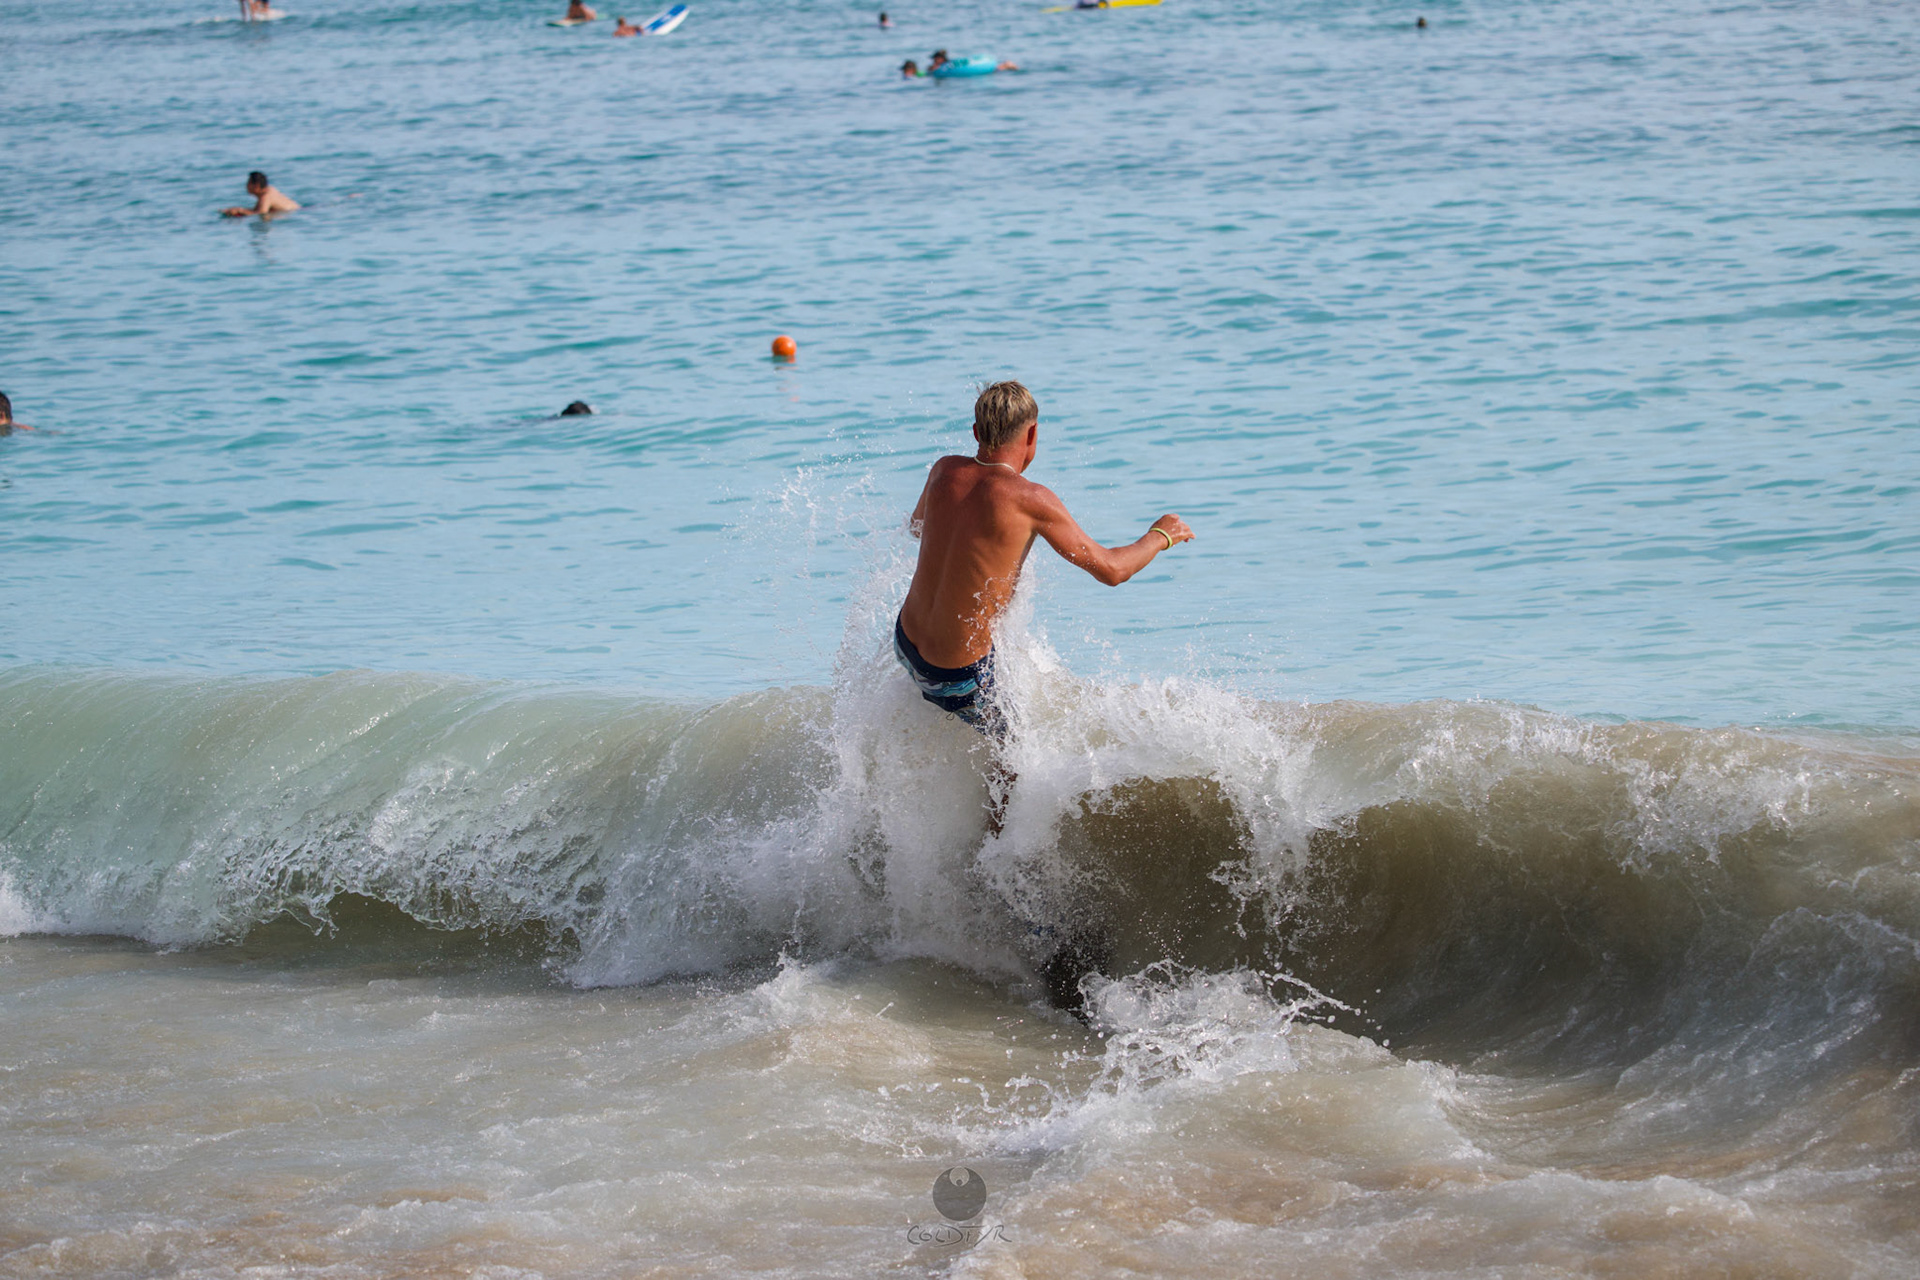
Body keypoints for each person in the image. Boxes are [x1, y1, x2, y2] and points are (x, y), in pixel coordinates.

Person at [895, 380, 1193, 742]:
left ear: (976, 432)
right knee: (1017, 752)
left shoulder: (943, 470)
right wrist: (1161, 535)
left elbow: (916, 527)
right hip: (957, 677)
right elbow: (1113, 570)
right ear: (1033, 433)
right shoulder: (1031, 499)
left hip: (906, 644)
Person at [221, 171, 299, 218]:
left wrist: (239, 210)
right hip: (298, 210)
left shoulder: (265, 197)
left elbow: (261, 214)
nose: (246, 186)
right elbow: (256, 210)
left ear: (257, 186)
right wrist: (236, 210)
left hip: (295, 212)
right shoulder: (269, 190)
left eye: (248, 183)